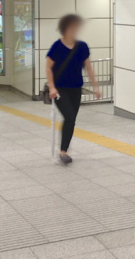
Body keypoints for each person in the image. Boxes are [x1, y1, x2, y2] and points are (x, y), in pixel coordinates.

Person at [46, 14, 100, 164]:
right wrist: (51, 87)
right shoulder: (57, 46)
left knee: (71, 120)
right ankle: (63, 152)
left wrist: (95, 87)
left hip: (76, 89)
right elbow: (48, 67)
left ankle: (64, 150)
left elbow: (88, 67)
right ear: (65, 28)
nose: (75, 29)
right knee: (69, 117)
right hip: (60, 90)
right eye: (73, 27)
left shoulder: (82, 46)